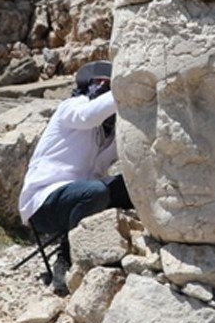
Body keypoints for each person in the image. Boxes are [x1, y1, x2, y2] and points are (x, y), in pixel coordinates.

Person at [18, 60, 132, 293]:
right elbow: (89, 116)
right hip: (44, 202)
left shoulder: (105, 134)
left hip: (83, 196)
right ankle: (65, 260)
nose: (104, 89)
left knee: (132, 186)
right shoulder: (72, 106)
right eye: (101, 84)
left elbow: (118, 153)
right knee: (95, 192)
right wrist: (124, 90)